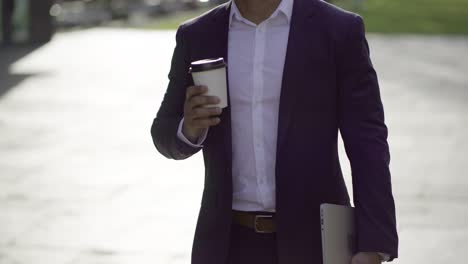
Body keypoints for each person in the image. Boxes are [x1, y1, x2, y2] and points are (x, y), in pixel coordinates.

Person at [151, 0, 398, 263]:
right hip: (226, 245)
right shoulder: (198, 34)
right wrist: (189, 128)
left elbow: (367, 141)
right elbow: (163, 131)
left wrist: (374, 244)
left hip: (316, 243)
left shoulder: (338, 30)